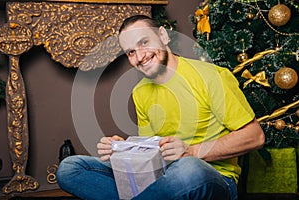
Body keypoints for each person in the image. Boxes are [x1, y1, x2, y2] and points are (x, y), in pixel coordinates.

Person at [56, 15, 265, 200]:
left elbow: (255, 136)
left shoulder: (211, 76)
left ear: (163, 36)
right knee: (70, 168)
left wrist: (191, 152)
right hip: (162, 177)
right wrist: (124, 150)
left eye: (144, 42)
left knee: (187, 168)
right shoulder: (140, 92)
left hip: (214, 179)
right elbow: (152, 150)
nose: (140, 57)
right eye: (130, 52)